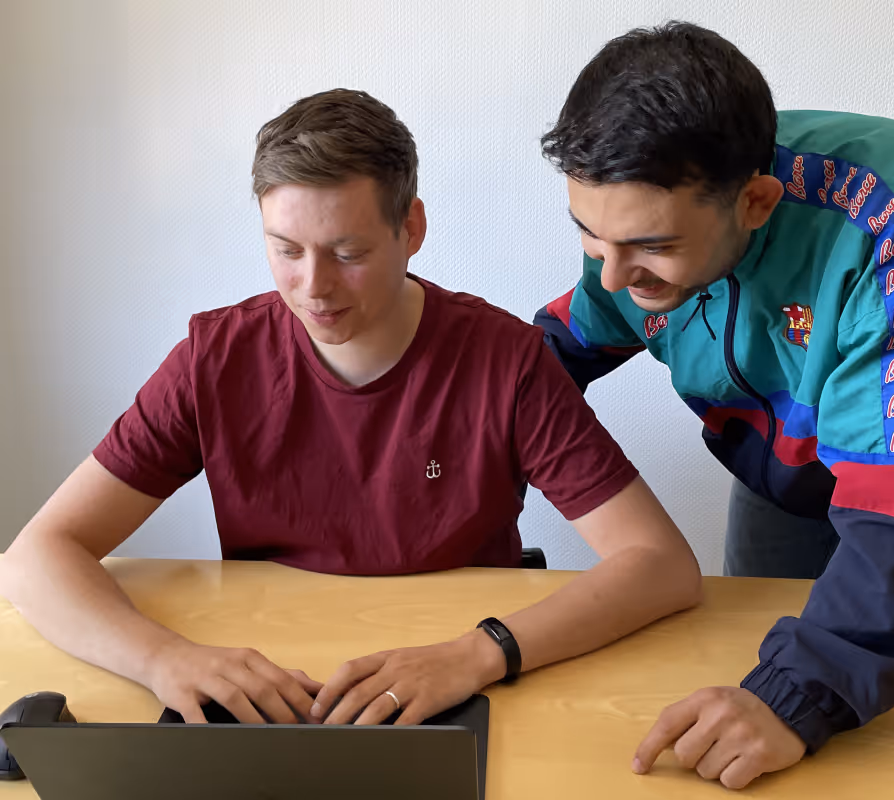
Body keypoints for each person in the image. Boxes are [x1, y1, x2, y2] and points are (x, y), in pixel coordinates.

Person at [0, 89, 703, 729]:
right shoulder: (214, 358)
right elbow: (34, 557)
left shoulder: (505, 359)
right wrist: (162, 660)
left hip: (452, 685)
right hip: (274, 688)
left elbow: (662, 564)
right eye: (286, 251)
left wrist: (481, 652)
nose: (315, 288)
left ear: (412, 229)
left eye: (348, 252)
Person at [535, 21, 894, 790]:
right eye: (590, 239)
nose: (610, 278)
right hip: (779, 441)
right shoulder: (641, 233)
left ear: (758, 202)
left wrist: (796, 698)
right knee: (759, 648)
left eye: (649, 249)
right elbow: (571, 338)